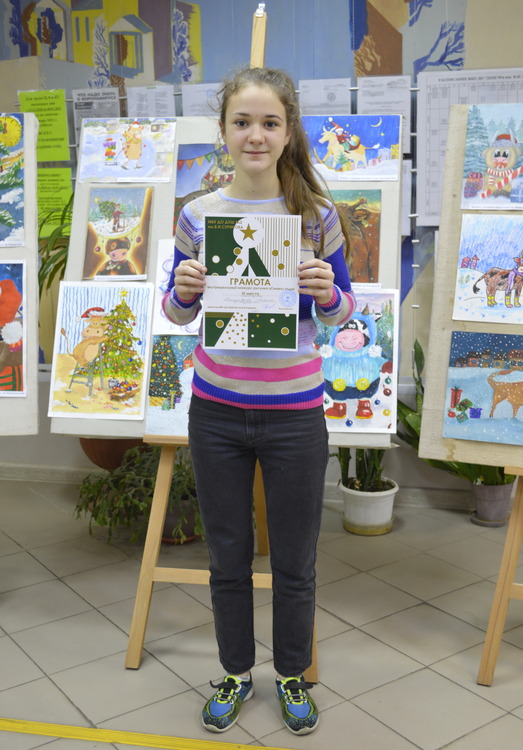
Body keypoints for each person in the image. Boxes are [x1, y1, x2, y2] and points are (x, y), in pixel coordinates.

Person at [163, 66, 355, 736]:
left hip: (294, 414)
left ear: (288, 130)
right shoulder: (198, 214)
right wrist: (184, 290)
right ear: (223, 130)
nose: (255, 135)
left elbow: (343, 310)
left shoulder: (316, 216)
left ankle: (293, 675)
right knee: (227, 555)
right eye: (241, 122)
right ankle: (236, 672)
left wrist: (326, 292)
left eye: (269, 122)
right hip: (216, 411)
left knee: (295, 560)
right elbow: (176, 312)